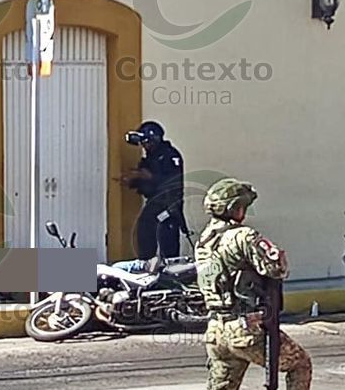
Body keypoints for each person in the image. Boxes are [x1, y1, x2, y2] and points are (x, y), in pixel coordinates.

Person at [194, 178, 311, 390]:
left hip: (216, 330)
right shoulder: (243, 236)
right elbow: (277, 268)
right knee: (300, 364)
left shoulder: (204, 240)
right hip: (245, 329)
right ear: (236, 209)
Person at [119, 121, 186, 260]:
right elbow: (147, 183)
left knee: (167, 238)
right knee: (145, 231)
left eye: (147, 142)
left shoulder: (170, 156)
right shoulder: (150, 158)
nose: (144, 146)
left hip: (169, 204)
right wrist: (132, 180)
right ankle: (147, 266)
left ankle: (171, 272)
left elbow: (173, 182)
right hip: (154, 202)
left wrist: (148, 176)